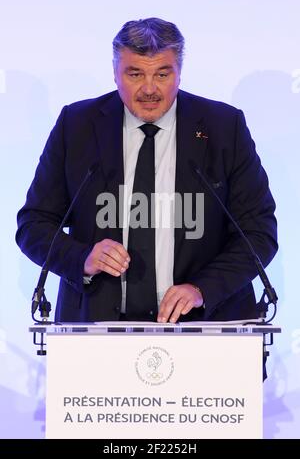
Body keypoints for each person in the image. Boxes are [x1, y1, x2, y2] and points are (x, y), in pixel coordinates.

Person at [16, 17, 278, 324]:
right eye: (135, 73)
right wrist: (82, 258)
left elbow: (258, 233)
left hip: (206, 327)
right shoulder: (77, 126)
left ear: (179, 73)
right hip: (97, 331)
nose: (149, 89)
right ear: (115, 73)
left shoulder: (223, 127)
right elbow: (34, 224)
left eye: (162, 74)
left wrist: (202, 288)